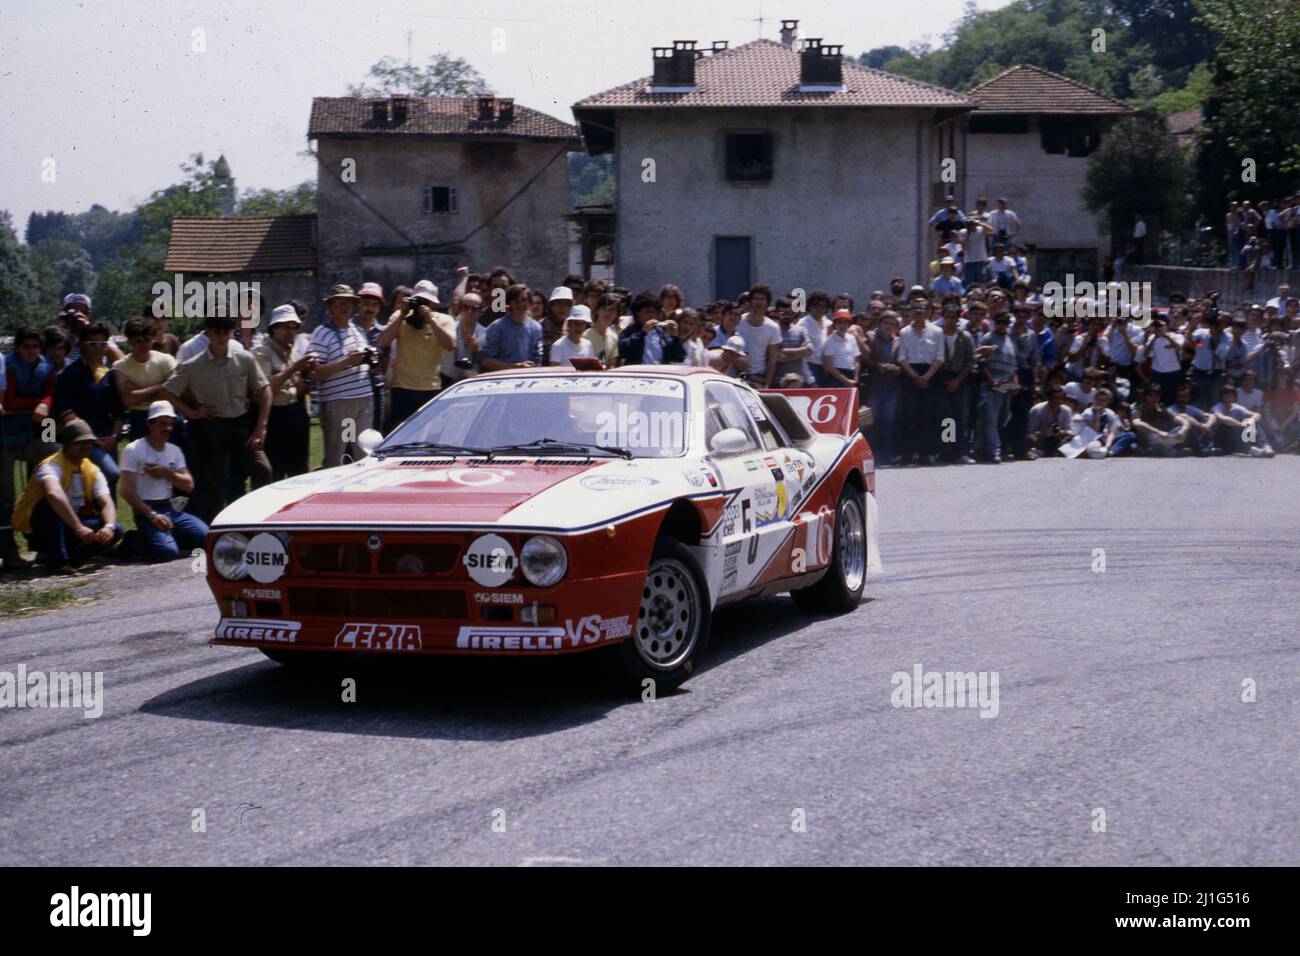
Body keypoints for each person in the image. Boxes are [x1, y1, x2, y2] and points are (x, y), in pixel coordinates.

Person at [162, 315, 271, 523]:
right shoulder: (194, 364)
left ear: (232, 332)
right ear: (208, 333)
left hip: (240, 423)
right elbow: (167, 391)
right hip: (211, 425)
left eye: (226, 331)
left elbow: (264, 390)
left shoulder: (244, 358)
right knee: (214, 482)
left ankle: (254, 518)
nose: (222, 336)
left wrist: (261, 427)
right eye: (217, 331)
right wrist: (192, 412)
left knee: (261, 469)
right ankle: (218, 527)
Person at [10, 418, 121, 573]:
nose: (86, 446)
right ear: (67, 444)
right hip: (39, 527)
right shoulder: (51, 465)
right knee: (49, 505)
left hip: (71, 524)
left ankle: (73, 560)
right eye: (80, 442)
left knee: (116, 529)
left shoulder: (92, 469)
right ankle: (57, 562)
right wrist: (79, 528)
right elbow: (53, 493)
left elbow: (106, 502)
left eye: (89, 442)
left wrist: (109, 527)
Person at [119, 401, 209, 561]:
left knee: (206, 537)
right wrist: (152, 515)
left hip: (169, 507)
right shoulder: (134, 449)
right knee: (167, 553)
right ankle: (134, 540)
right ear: (149, 424)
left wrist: (168, 473)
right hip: (146, 508)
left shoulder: (174, 450)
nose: (167, 429)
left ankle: (165, 537)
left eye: (170, 424)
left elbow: (189, 485)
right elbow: (125, 491)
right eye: (162, 424)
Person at [2, 326, 59, 571]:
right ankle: (9, 552)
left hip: (37, 431)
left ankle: (44, 546)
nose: (32, 351)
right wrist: (38, 404)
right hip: (6, 436)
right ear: (17, 347)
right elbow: (9, 400)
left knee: (45, 482)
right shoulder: (8, 365)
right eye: (27, 346)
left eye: (36, 346)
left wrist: (46, 404)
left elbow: (51, 392)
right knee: (6, 497)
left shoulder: (46, 366)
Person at [52, 322, 123, 499]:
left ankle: (109, 523)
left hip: (108, 437)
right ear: (82, 345)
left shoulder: (109, 374)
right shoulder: (70, 374)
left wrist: (114, 437)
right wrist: (91, 438)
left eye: (103, 344)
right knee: (111, 473)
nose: (98, 348)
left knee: (108, 486)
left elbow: (119, 411)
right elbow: (65, 411)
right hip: (83, 440)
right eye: (93, 344)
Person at [307, 284, 374, 467]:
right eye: (340, 303)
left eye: (350, 303)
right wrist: (347, 362)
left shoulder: (357, 329)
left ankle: (360, 490)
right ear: (330, 307)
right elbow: (316, 373)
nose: (346, 308)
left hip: (363, 399)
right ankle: (335, 492)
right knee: (340, 452)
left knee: (363, 450)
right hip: (342, 403)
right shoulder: (322, 333)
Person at [379, 280, 455, 427]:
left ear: (434, 304)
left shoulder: (444, 320)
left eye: (426, 301)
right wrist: (402, 315)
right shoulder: (399, 317)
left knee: (429, 432)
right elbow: (383, 341)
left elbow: (450, 345)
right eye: (420, 300)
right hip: (402, 387)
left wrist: (431, 320)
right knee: (401, 432)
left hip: (431, 387)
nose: (422, 304)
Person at [253, 305, 315, 480]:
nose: (291, 331)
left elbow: (298, 388)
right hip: (274, 416)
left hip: (295, 412)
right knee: (275, 468)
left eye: (294, 327)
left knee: (299, 466)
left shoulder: (294, 352)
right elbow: (264, 388)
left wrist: (307, 374)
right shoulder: (262, 353)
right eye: (286, 326)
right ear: (274, 328)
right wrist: (294, 368)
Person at [113, 316, 177, 440]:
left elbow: (174, 393)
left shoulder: (166, 360)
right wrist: (159, 386)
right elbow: (128, 400)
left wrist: (139, 392)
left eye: (147, 340)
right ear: (130, 342)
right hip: (139, 418)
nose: (143, 345)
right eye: (138, 341)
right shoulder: (120, 367)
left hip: (166, 414)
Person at [897, 296, 944, 465]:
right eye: (915, 308)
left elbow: (940, 357)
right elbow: (901, 358)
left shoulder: (937, 332)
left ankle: (927, 453)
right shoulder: (904, 332)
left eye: (922, 308)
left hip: (931, 374)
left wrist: (926, 377)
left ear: (928, 312)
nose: (918, 311)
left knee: (929, 415)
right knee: (909, 415)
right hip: (910, 375)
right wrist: (916, 377)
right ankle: (908, 453)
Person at [935, 295, 975, 464]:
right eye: (947, 317)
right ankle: (946, 451)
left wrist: (958, 380)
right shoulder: (937, 335)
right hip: (941, 377)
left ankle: (961, 452)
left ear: (958, 319)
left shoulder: (965, 337)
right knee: (945, 417)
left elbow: (969, 362)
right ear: (942, 317)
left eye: (953, 317)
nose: (950, 320)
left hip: (958, 378)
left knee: (959, 417)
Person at [977, 312, 1019, 463]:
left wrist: (1015, 384)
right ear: (995, 322)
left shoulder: (1010, 340)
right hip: (992, 383)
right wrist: (990, 380)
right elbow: (982, 362)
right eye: (999, 322)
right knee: (990, 420)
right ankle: (994, 452)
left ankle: (981, 448)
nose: (1002, 325)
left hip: (1005, 384)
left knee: (1003, 419)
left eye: (1006, 322)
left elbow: (1013, 366)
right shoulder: (989, 337)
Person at [864, 311, 902, 466]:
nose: (888, 327)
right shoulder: (871, 338)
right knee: (872, 423)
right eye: (886, 323)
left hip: (891, 387)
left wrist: (897, 369)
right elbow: (864, 359)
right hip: (875, 385)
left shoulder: (898, 341)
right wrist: (877, 366)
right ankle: (872, 455)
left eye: (892, 324)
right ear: (880, 323)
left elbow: (902, 362)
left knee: (888, 422)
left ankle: (887, 455)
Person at [481, 284, 543, 371]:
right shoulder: (497, 327)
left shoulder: (536, 328)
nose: (520, 304)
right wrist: (515, 367)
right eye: (516, 301)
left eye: (524, 300)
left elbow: (538, 359)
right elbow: (486, 361)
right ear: (509, 304)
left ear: (529, 302)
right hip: (503, 379)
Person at [353, 282, 389, 432]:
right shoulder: (348, 329)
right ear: (358, 305)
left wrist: (377, 368)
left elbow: (385, 362)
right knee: (348, 434)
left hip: (375, 389)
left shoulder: (383, 332)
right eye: (366, 303)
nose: (370, 308)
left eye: (375, 305)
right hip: (351, 391)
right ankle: (346, 456)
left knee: (373, 433)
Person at [619, 291, 684, 365]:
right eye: (647, 312)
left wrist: (675, 338)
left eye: (654, 312)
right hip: (637, 374)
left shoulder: (661, 333)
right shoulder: (630, 331)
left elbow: (678, 357)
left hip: (659, 374)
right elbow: (621, 350)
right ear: (637, 313)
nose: (651, 315)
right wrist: (642, 333)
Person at [1210, 385, 1275, 457]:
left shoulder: (1237, 407)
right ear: (1222, 396)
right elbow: (1222, 418)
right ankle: (1250, 449)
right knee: (1232, 427)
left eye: (1231, 395)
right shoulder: (1217, 407)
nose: (1229, 397)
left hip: (1236, 441)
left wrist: (1250, 421)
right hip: (1222, 440)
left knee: (1255, 423)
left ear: (1234, 396)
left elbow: (1256, 414)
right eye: (1226, 395)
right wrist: (1240, 424)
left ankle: (1265, 446)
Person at [736, 284, 782, 386]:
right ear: (750, 301)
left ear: (767, 302)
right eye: (756, 299)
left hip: (758, 377)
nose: (759, 302)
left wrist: (767, 384)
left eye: (762, 299)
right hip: (736, 374)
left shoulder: (773, 327)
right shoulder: (738, 321)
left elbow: (773, 358)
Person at [441, 292, 484, 386]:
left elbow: (486, 362)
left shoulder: (485, 333)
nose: (469, 311)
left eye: (474, 308)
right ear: (460, 309)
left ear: (480, 311)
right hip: (445, 380)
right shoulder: (448, 328)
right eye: (465, 307)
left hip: (471, 382)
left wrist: (478, 350)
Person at [820, 310, 861, 388]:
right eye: (839, 322)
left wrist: (855, 378)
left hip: (851, 376)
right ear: (834, 324)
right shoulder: (829, 341)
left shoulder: (852, 338)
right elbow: (828, 366)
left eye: (845, 322)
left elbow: (856, 360)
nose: (842, 325)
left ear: (849, 324)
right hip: (835, 377)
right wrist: (846, 381)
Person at [586, 293, 622, 366]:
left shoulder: (614, 337)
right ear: (597, 310)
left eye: (612, 310)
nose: (608, 313)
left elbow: (611, 365)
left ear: (616, 314)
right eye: (605, 309)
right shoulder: (585, 336)